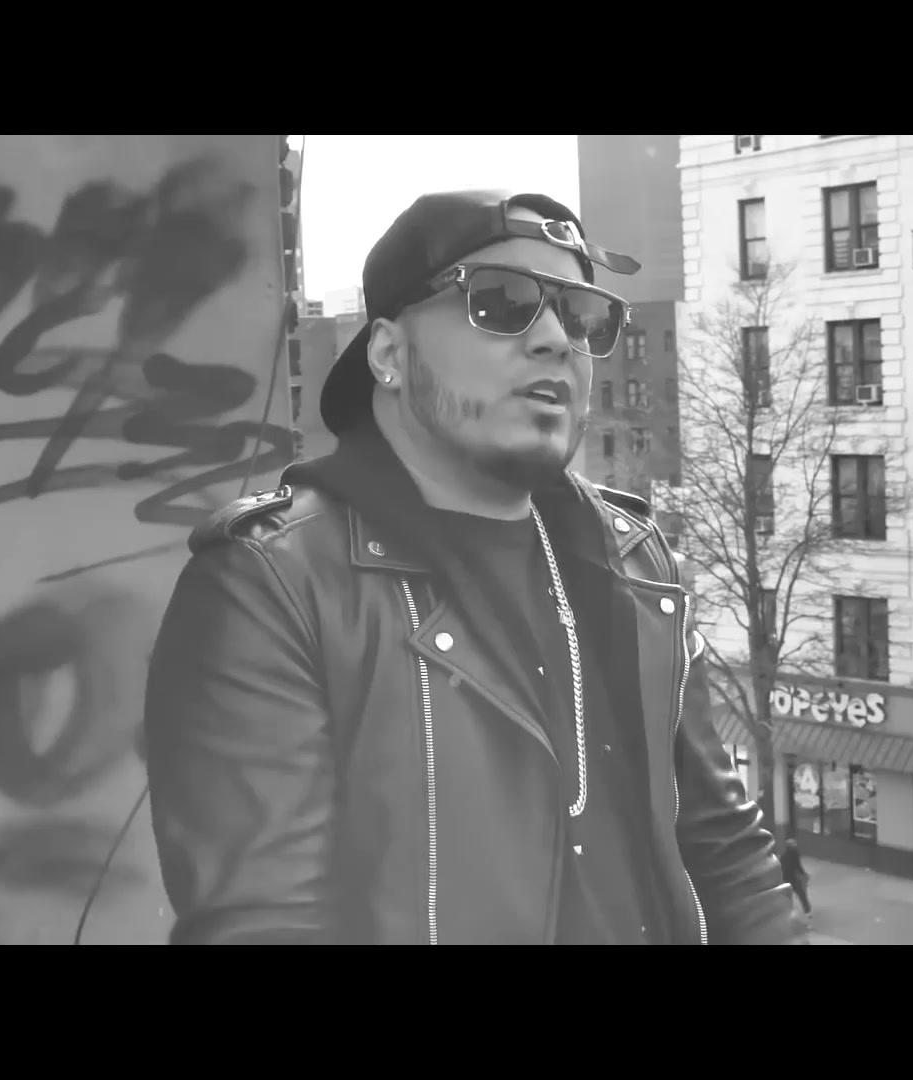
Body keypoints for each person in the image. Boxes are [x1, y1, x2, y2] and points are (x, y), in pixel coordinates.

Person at [142, 189, 806, 946]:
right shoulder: (273, 584)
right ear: (388, 354)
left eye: (583, 317)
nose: (556, 339)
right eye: (502, 302)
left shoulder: (637, 560)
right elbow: (265, 923)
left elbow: (726, 850)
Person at [778, 838, 811, 918]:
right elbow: (797, 865)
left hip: (785, 878)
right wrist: (803, 874)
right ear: (791, 846)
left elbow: (780, 867)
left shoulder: (783, 856)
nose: (796, 845)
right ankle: (807, 912)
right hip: (793, 878)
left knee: (787, 896)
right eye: (794, 844)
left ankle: (786, 912)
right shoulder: (795, 853)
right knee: (802, 894)